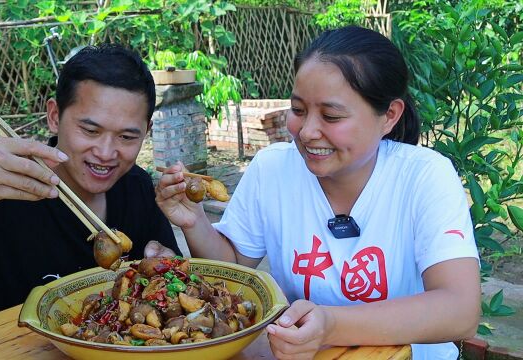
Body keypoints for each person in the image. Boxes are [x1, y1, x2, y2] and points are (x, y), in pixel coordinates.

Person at [155, 26, 480, 359]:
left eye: (331, 116)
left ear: (389, 116)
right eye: (298, 110)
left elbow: (460, 309)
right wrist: (194, 221)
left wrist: (331, 324)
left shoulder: (424, 175)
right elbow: (234, 269)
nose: (307, 131)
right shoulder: (272, 169)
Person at [0, 44, 181, 322]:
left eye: (127, 137)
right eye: (89, 130)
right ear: (54, 116)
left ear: (146, 131)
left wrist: (162, 264)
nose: (105, 153)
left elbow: (171, 281)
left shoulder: (137, 186)